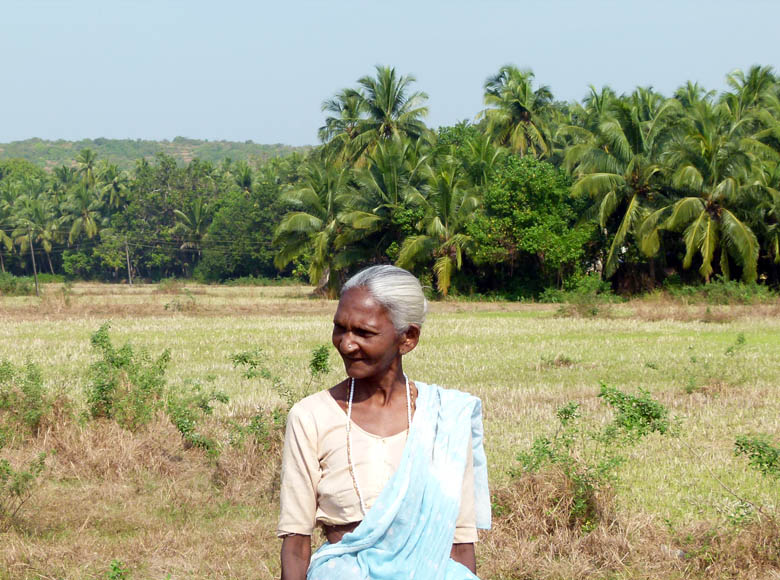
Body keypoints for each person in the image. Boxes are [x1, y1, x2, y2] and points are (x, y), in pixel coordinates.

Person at [277, 265, 490, 580]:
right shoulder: (311, 416)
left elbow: (459, 544)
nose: (346, 344)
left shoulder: (446, 417)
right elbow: (295, 543)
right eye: (340, 328)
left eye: (364, 332)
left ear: (408, 338)